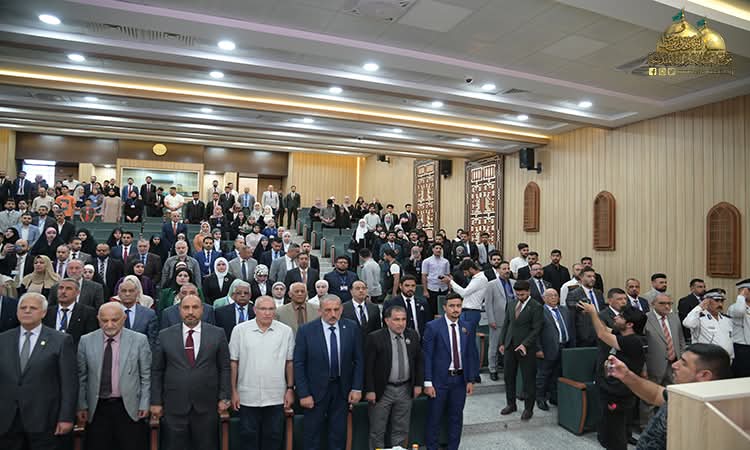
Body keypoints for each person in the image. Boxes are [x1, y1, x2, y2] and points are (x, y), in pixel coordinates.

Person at [150, 295, 231, 450]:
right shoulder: (165, 335)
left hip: (207, 406)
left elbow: (225, 368)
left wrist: (225, 397)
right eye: (186, 308)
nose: (190, 312)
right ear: (179, 310)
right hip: (174, 406)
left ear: (202, 310)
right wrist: (155, 402)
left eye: (195, 307)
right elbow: (157, 371)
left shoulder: (217, 334)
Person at [1, 293, 76, 448]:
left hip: (44, 420)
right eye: (23, 308)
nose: (27, 311)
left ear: (43, 312)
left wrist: (66, 417)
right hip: (8, 421)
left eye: (33, 308)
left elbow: (69, 383)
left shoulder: (61, 340)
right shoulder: (3, 339)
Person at [76, 302, 151, 450]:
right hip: (97, 408)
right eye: (104, 320)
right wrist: (81, 405)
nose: (109, 325)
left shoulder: (139, 340)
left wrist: (144, 403)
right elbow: (81, 377)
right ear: (98, 319)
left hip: (129, 407)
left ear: (124, 318)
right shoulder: (86, 341)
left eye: (114, 320)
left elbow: (146, 375)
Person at [293, 294, 363, 450]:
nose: (333, 314)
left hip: (342, 390)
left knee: (338, 435)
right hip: (314, 392)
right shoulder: (306, 330)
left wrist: (357, 387)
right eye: (328, 310)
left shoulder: (351, 327)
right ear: (320, 311)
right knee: (312, 436)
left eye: (336, 310)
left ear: (342, 309)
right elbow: (299, 364)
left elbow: (358, 360)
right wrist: (304, 394)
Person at [578, 296, 647, 450]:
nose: (615, 317)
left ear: (629, 324)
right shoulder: (622, 334)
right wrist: (593, 314)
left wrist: (593, 312)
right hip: (610, 391)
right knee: (608, 433)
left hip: (619, 395)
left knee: (616, 435)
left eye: (620, 316)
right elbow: (604, 330)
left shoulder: (633, 341)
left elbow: (602, 335)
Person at [229, 296, 294, 450]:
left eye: (271, 309)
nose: (267, 313)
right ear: (254, 310)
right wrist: (233, 391)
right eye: (263, 309)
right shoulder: (240, 330)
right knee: (248, 439)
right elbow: (233, 362)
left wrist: (290, 389)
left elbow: (289, 362)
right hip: (247, 397)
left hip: (276, 396)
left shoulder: (286, 331)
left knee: (274, 439)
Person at [422, 293, 478, 450]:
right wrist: (428, 382)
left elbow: (470, 354)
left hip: (459, 380)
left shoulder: (467, 326)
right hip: (439, 381)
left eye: (458, 306)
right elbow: (427, 356)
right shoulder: (433, 327)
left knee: (456, 418)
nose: (455, 309)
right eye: (452, 306)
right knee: (434, 418)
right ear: (444, 307)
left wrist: (470, 379)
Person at [365, 305, 423, 449]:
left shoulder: (412, 335)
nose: (401, 323)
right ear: (387, 320)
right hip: (382, 390)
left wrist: (418, 384)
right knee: (377, 430)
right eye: (396, 319)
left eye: (403, 319)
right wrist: (370, 390)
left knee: (401, 430)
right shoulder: (375, 338)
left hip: (405, 389)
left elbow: (418, 362)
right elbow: (368, 367)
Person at [499, 280, 543, 420]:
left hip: (526, 348)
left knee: (528, 379)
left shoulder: (536, 306)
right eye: (518, 294)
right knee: (508, 377)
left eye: (522, 294)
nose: (520, 297)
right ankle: (511, 404)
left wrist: (525, 344)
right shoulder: (511, 304)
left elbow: (536, 329)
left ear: (528, 291)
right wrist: (502, 342)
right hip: (510, 346)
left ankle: (528, 409)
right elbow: (506, 324)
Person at [536, 288, 575, 411]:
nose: (554, 297)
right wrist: (538, 349)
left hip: (564, 347)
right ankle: (540, 398)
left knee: (557, 374)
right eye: (550, 295)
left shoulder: (565, 310)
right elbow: (535, 332)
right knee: (544, 374)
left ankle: (554, 397)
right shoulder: (539, 311)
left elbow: (571, 328)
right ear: (544, 298)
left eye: (555, 295)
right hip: (547, 348)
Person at [42, 278, 98, 348]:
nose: (63, 291)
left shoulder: (88, 313)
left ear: (77, 293)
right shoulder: (47, 312)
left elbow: (90, 338)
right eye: (61, 288)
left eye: (68, 289)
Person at [484, 260, 514, 380]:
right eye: (504, 269)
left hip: (512, 320)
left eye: (508, 268)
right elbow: (488, 304)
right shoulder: (491, 284)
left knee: (510, 345)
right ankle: (493, 369)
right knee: (494, 346)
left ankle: (508, 369)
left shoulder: (514, 283)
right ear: (498, 270)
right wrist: (491, 319)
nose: (507, 271)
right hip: (498, 319)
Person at [682, 289, 734, 359]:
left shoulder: (727, 319)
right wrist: (700, 306)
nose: (720, 304)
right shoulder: (699, 318)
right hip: (706, 360)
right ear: (707, 301)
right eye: (716, 300)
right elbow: (687, 323)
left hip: (726, 360)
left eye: (722, 301)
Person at [566, 267, 606, 347]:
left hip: (601, 332)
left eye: (594, 277)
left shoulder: (599, 293)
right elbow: (572, 308)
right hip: (585, 335)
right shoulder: (574, 293)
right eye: (589, 276)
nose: (592, 279)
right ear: (581, 278)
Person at [114, 276, 158, 347]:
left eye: (131, 291)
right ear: (118, 293)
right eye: (124, 291)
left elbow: (153, 341)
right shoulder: (111, 313)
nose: (127, 294)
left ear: (137, 293)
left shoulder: (149, 314)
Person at [727, 278, 750, 377]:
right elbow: (740, 311)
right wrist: (741, 296)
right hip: (741, 348)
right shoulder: (734, 307)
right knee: (741, 375)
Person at [677, 278, 705, 343]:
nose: (703, 289)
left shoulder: (706, 300)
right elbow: (683, 319)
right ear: (692, 288)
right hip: (691, 335)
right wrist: (687, 337)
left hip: (704, 334)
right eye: (700, 287)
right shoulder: (685, 301)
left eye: (704, 287)